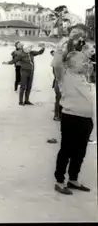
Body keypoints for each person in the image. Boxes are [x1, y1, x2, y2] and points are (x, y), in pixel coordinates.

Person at [52, 47, 94, 195]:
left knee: (80, 152)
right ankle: (60, 181)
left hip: (86, 119)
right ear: (72, 63)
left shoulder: (83, 76)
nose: (86, 63)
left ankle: (73, 179)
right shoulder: (65, 75)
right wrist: (60, 48)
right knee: (67, 150)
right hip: (71, 118)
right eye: (82, 60)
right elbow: (57, 64)